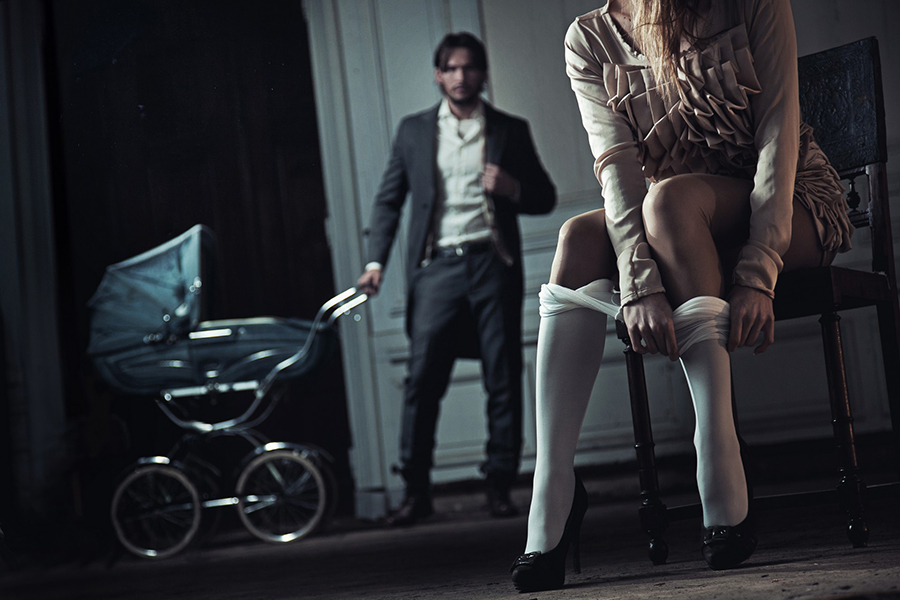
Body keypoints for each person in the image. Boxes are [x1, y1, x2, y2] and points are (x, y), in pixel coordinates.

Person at [510, 0, 853, 592]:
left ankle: (718, 448)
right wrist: (639, 285)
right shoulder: (589, 39)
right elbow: (616, 171)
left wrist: (757, 271)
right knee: (577, 238)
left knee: (669, 200)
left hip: (789, 206)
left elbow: (777, 134)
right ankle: (554, 484)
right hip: (677, 222)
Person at [358, 32, 557, 526]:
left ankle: (499, 486)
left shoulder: (510, 129)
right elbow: (388, 201)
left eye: (469, 67)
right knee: (423, 379)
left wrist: (512, 188)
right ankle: (416, 493)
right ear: (438, 74)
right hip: (438, 268)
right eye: (451, 68)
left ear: (483, 73)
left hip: (493, 264)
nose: (461, 76)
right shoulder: (413, 131)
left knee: (502, 375)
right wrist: (375, 262)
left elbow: (545, 197)